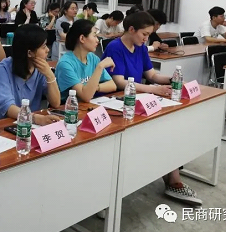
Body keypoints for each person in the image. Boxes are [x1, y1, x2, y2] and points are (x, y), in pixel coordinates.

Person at [103, 11, 201, 206]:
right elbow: (119, 82)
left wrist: (172, 80)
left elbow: (152, 75)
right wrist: (154, 89)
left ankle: (172, 176)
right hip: (117, 100)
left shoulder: (140, 47)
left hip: (138, 97)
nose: (146, 39)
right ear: (131, 29)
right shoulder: (115, 47)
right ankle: (170, 179)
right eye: (144, 34)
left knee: (167, 126)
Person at [0, 24, 61, 123]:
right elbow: (8, 107)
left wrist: (50, 75)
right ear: (29, 53)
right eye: (43, 47)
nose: (48, 50)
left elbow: (56, 103)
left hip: (28, 123)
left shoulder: (41, 69)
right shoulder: (4, 68)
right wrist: (36, 119)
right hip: (1, 123)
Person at [55, 20, 116, 102]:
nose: (97, 40)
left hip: (86, 106)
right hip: (67, 107)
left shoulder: (93, 58)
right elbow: (86, 96)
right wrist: (100, 66)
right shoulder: (65, 64)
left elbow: (112, 85)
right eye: (94, 36)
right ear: (82, 38)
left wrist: (94, 87)